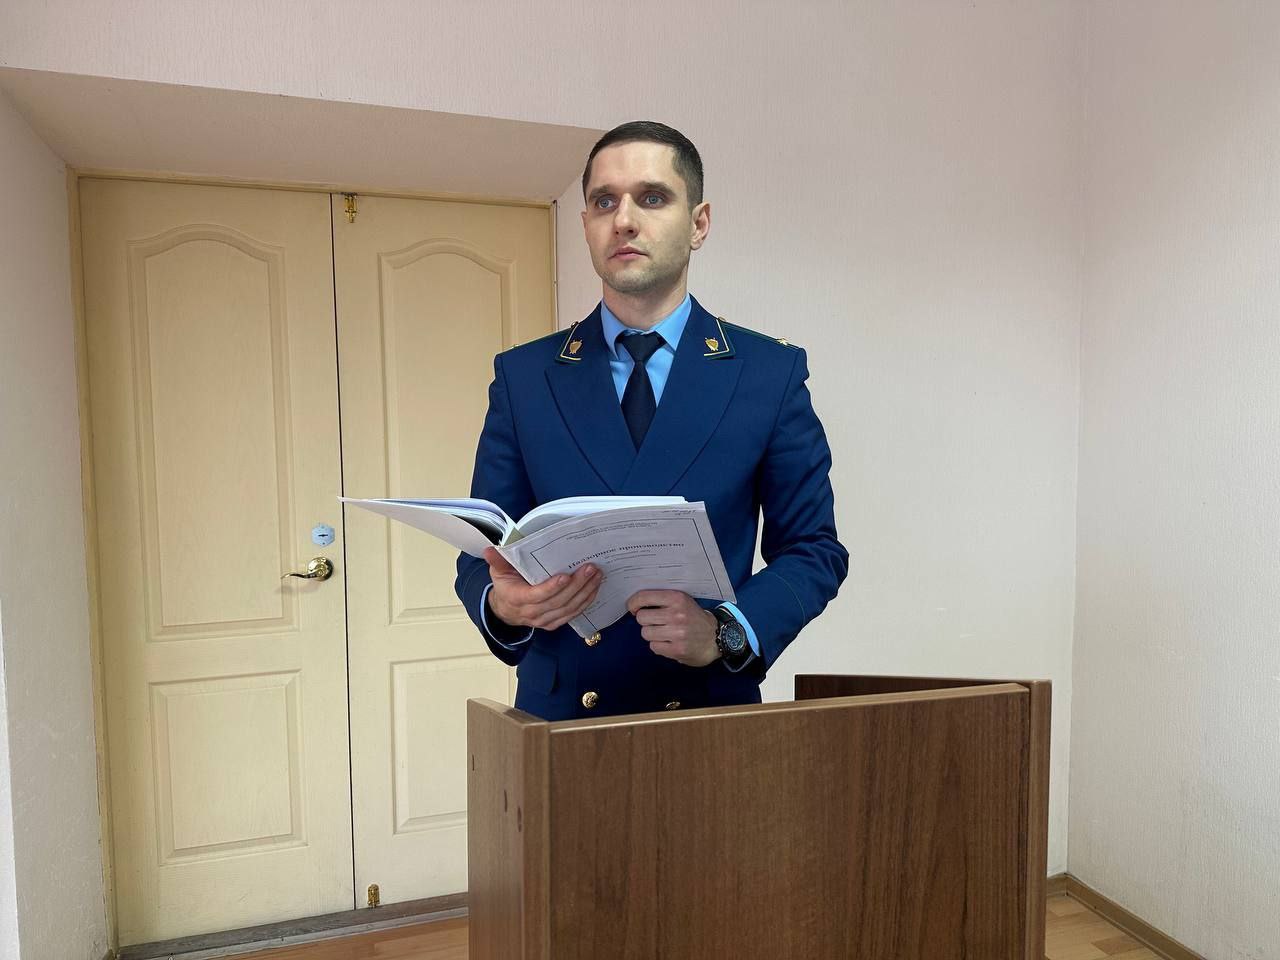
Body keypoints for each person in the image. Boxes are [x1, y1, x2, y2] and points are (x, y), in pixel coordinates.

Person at [454, 120, 847, 721]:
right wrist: (503, 606)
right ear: (586, 224)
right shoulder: (525, 376)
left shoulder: (768, 374)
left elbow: (813, 548)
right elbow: (485, 547)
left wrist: (726, 630)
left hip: (704, 711)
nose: (624, 220)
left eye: (653, 197)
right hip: (560, 719)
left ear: (699, 224)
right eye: (603, 201)